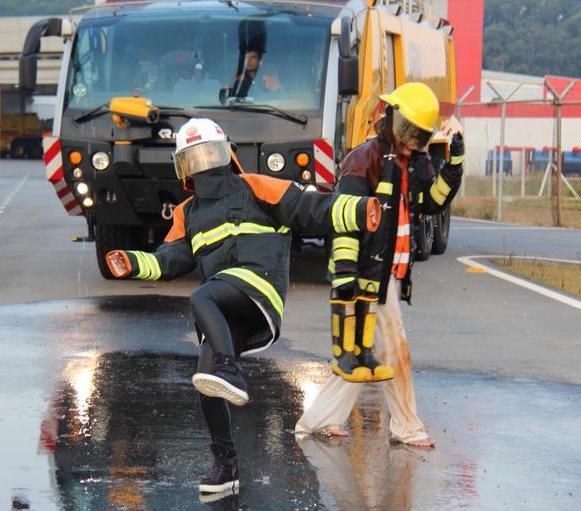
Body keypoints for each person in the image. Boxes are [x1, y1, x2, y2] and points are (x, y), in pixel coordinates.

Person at [104, 118, 382, 496]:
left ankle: (230, 369)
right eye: (194, 158)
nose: (203, 164)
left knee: (201, 297)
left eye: (209, 154)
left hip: (259, 286)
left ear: (227, 154)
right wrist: (134, 262)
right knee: (206, 383)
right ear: (183, 167)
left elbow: (310, 207)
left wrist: (361, 209)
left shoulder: (256, 186)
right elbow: (171, 257)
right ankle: (226, 466)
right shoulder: (187, 212)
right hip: (226, 305)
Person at [296, 82, 466, 447]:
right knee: (393, 348)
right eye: (407, 132)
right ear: (390, 119)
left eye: (419, 138)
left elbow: (430, 202)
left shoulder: (414, 163)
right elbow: (344, 224)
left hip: (388, 272)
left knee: (362, 356)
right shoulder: (364, 159)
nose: (410, 142)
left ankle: (315, 422)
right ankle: (406, 427)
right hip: (367, 273)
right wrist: (346, 281)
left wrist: (454, 163)